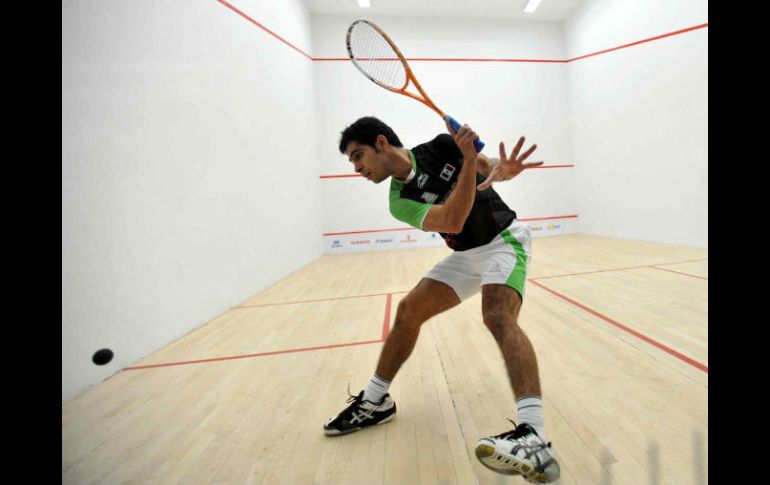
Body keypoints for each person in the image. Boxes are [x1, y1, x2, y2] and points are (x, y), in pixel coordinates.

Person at [323, 116, 560, 484]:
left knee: (498, 316)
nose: (357, 168)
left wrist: (501, 168)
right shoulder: (399, 201)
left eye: (358, 156)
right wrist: (469, 164)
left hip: (502, 241)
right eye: (352, 162)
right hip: (466, 254)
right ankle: (375, 402)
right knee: (408, 312)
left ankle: (535, 436)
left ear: (381, 142)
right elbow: (452, 220)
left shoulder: (441, 146)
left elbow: (488, 169)